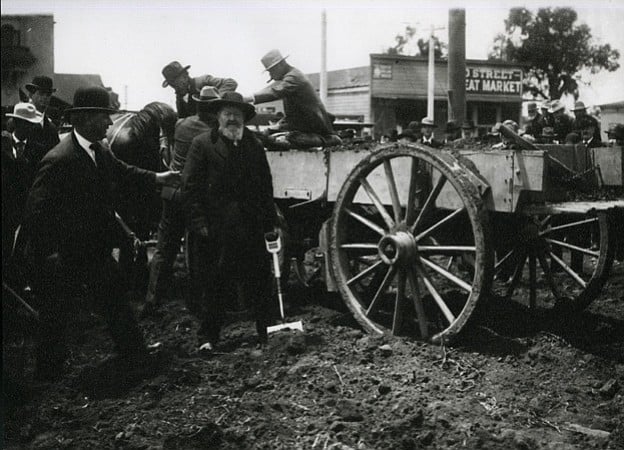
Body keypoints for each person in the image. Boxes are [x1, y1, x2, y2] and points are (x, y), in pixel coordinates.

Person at [21, 87, 180, 380]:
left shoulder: (99, 151)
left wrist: (158, 177)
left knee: (114, 299)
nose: (110, 123)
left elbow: (123, 171)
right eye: (105, 117)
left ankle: (134, 353)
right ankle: (47, 373)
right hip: (64, 253)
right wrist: (50, 252)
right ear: (86, 118)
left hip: (93, 249)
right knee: (56, 314)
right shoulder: (59, 159)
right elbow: (35, 212)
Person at [182, 91, 278, 349]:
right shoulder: (202, 144)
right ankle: (208, 338)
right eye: (227, 113)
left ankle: (268, 334)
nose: (232, 119)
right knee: (215, 284)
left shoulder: (254, 146)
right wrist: (198, 222)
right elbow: (189, 187)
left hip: (251, 227)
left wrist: (270, 223)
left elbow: (265, 187)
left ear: (244, 118)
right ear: (218, 117)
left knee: (259, 281)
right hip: (216, 229)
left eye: (237, 114)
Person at [144, 86, 221, 313]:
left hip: (171, 193)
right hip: (194, 198)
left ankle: (152, 301)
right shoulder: (212, 132)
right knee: (197, 251)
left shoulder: (181, 124)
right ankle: (196, 304)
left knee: (164, 249)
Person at [247, 49, 337, 144]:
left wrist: (249, 98)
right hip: (300, 124)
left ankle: (328, 140)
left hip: (312, 127)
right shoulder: (290, 76)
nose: (271, 75)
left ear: (280, 65)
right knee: (267, 134)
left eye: (271, 71)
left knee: (285, 140)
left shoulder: (294, 78)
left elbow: (275, 91)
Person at [2, 103, 44, 274]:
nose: (30, 128)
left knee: (21, 251)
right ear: (16, 123)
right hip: (5, 209)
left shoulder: (38, 150)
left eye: (32, 124)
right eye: (26, 123)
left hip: (25, 210)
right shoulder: (3, 144)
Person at [161, 61, 238, 119]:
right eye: (171, 84)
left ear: (184, 76)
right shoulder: (179, 98)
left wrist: (216, 99)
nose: (173, 86)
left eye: (175, 82)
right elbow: (183, 118)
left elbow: (231, 83)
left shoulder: (203, 81)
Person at [24, 76, 60, 160]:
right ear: (31, 94)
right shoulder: (20, 121)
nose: (45, 98)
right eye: (41, 93)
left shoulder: (52, 129)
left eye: (48, 94)